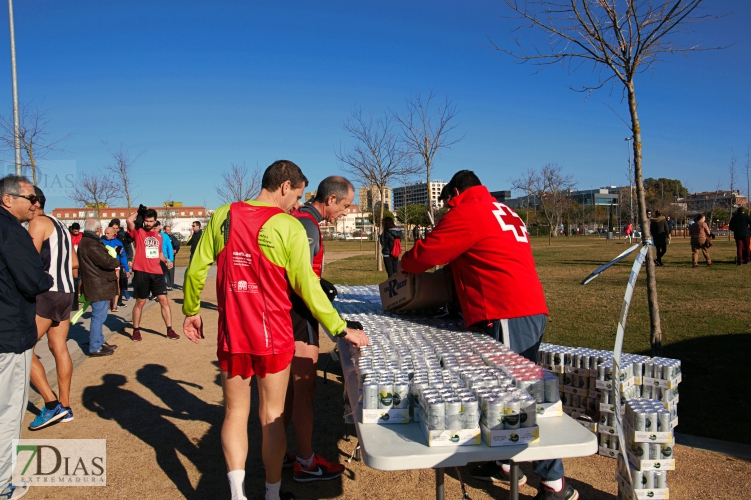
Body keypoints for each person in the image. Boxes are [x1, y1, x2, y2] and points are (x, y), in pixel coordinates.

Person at [182, 160, 369, 500]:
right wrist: (341, 329)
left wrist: (192, 310)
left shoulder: (224, 214)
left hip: (233, 335)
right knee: (272, 415)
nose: (297, 204)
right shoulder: (289, 226)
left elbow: (196, 268)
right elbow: (308, 287)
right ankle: (271, 494)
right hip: (274, 337)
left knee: (235, 414)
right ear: (284, 186)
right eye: (296, 196)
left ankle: (237, 496)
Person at [400, 170, 578, 500]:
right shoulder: (502, 208)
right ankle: (505, 461)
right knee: (502, 393)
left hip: (507, 310)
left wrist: (403, 262)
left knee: (518, 397)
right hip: (523, 307)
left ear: (455, 192)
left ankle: (555, 483)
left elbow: (425, 256)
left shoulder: (469, 210)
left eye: (446, 202)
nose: (446, 208)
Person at [284, 176, 358, 482]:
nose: (344, 212)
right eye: (343, 205)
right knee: (303, 388)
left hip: (290, 312)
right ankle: (305, 461)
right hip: (299, 314)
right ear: (329, 199)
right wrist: (338, 326)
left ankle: (283, 450)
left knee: (287, 390)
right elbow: (300, 281)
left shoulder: (302, 219)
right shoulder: (308, 225)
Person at [0, 175, 53, 499]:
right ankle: (4, 483)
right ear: (8, 199)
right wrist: (45, 276)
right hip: (8, 334)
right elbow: (33, 280)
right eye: (31, 198)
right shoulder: (11, 232)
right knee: (8, 411)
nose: (36, 204)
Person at [27, 187, 79, 430]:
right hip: (66, 290)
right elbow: (75, 262)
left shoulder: (37, 223)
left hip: (48, 291)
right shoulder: (61, 225)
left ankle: (51, 405)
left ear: (35, 202)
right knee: (58, 346)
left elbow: (29, 261)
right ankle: (65, 406)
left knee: (22, 349)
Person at [126, 209, 178, 341]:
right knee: (140, 302)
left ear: (155, 221)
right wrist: (139, 212)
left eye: (151, 221)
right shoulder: (138, 232)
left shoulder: (159, 236)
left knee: (164, 301)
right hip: (142, 273)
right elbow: (128, 220)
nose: (148, 223)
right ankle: (136, 330)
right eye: (146, 220)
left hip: (157, 273)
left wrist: (167, 261)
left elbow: (159, 254)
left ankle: (169, 329)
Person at [78, 219, 122, 357]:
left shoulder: (86, 242)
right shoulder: (91, 244)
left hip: (96, 283)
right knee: (98, 316)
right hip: (98, 284)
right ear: (98, 230)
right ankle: (95, 347)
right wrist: (115, 260)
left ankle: (99, 341)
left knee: (100, 315)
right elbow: (106, 261)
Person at [102, 226, 130, 311]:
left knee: (116, 283)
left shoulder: (118, 243)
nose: (106, 235)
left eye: (108, 233)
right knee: (105, 285)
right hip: (105, 266)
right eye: (105, 233)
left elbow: (123, 257)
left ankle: (115, 303)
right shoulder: (101, 242)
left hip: (115, 266)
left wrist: (127, 269)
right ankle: (106, 302)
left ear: (113, 234)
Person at [109, 218, 133, 305]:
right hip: (110, 262)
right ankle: (113, 301)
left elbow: (128, 247)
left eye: (116, 228)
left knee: (122, 279)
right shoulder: (107, 237)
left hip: (122, 260)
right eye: (113, 228)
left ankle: (120, 298)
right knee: (113, 282)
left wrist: (129, 259)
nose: (115, 230)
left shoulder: (122, 236)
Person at [155, 221, 175, 291]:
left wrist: (171, 259)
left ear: (159, 226)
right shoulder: (150, 235)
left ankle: (161, 288)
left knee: (163, 274)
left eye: (157, 226)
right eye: (154, 226)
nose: (155, 227)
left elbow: (170, 248)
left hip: (163, 258)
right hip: (153, 258)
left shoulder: (165, 236)